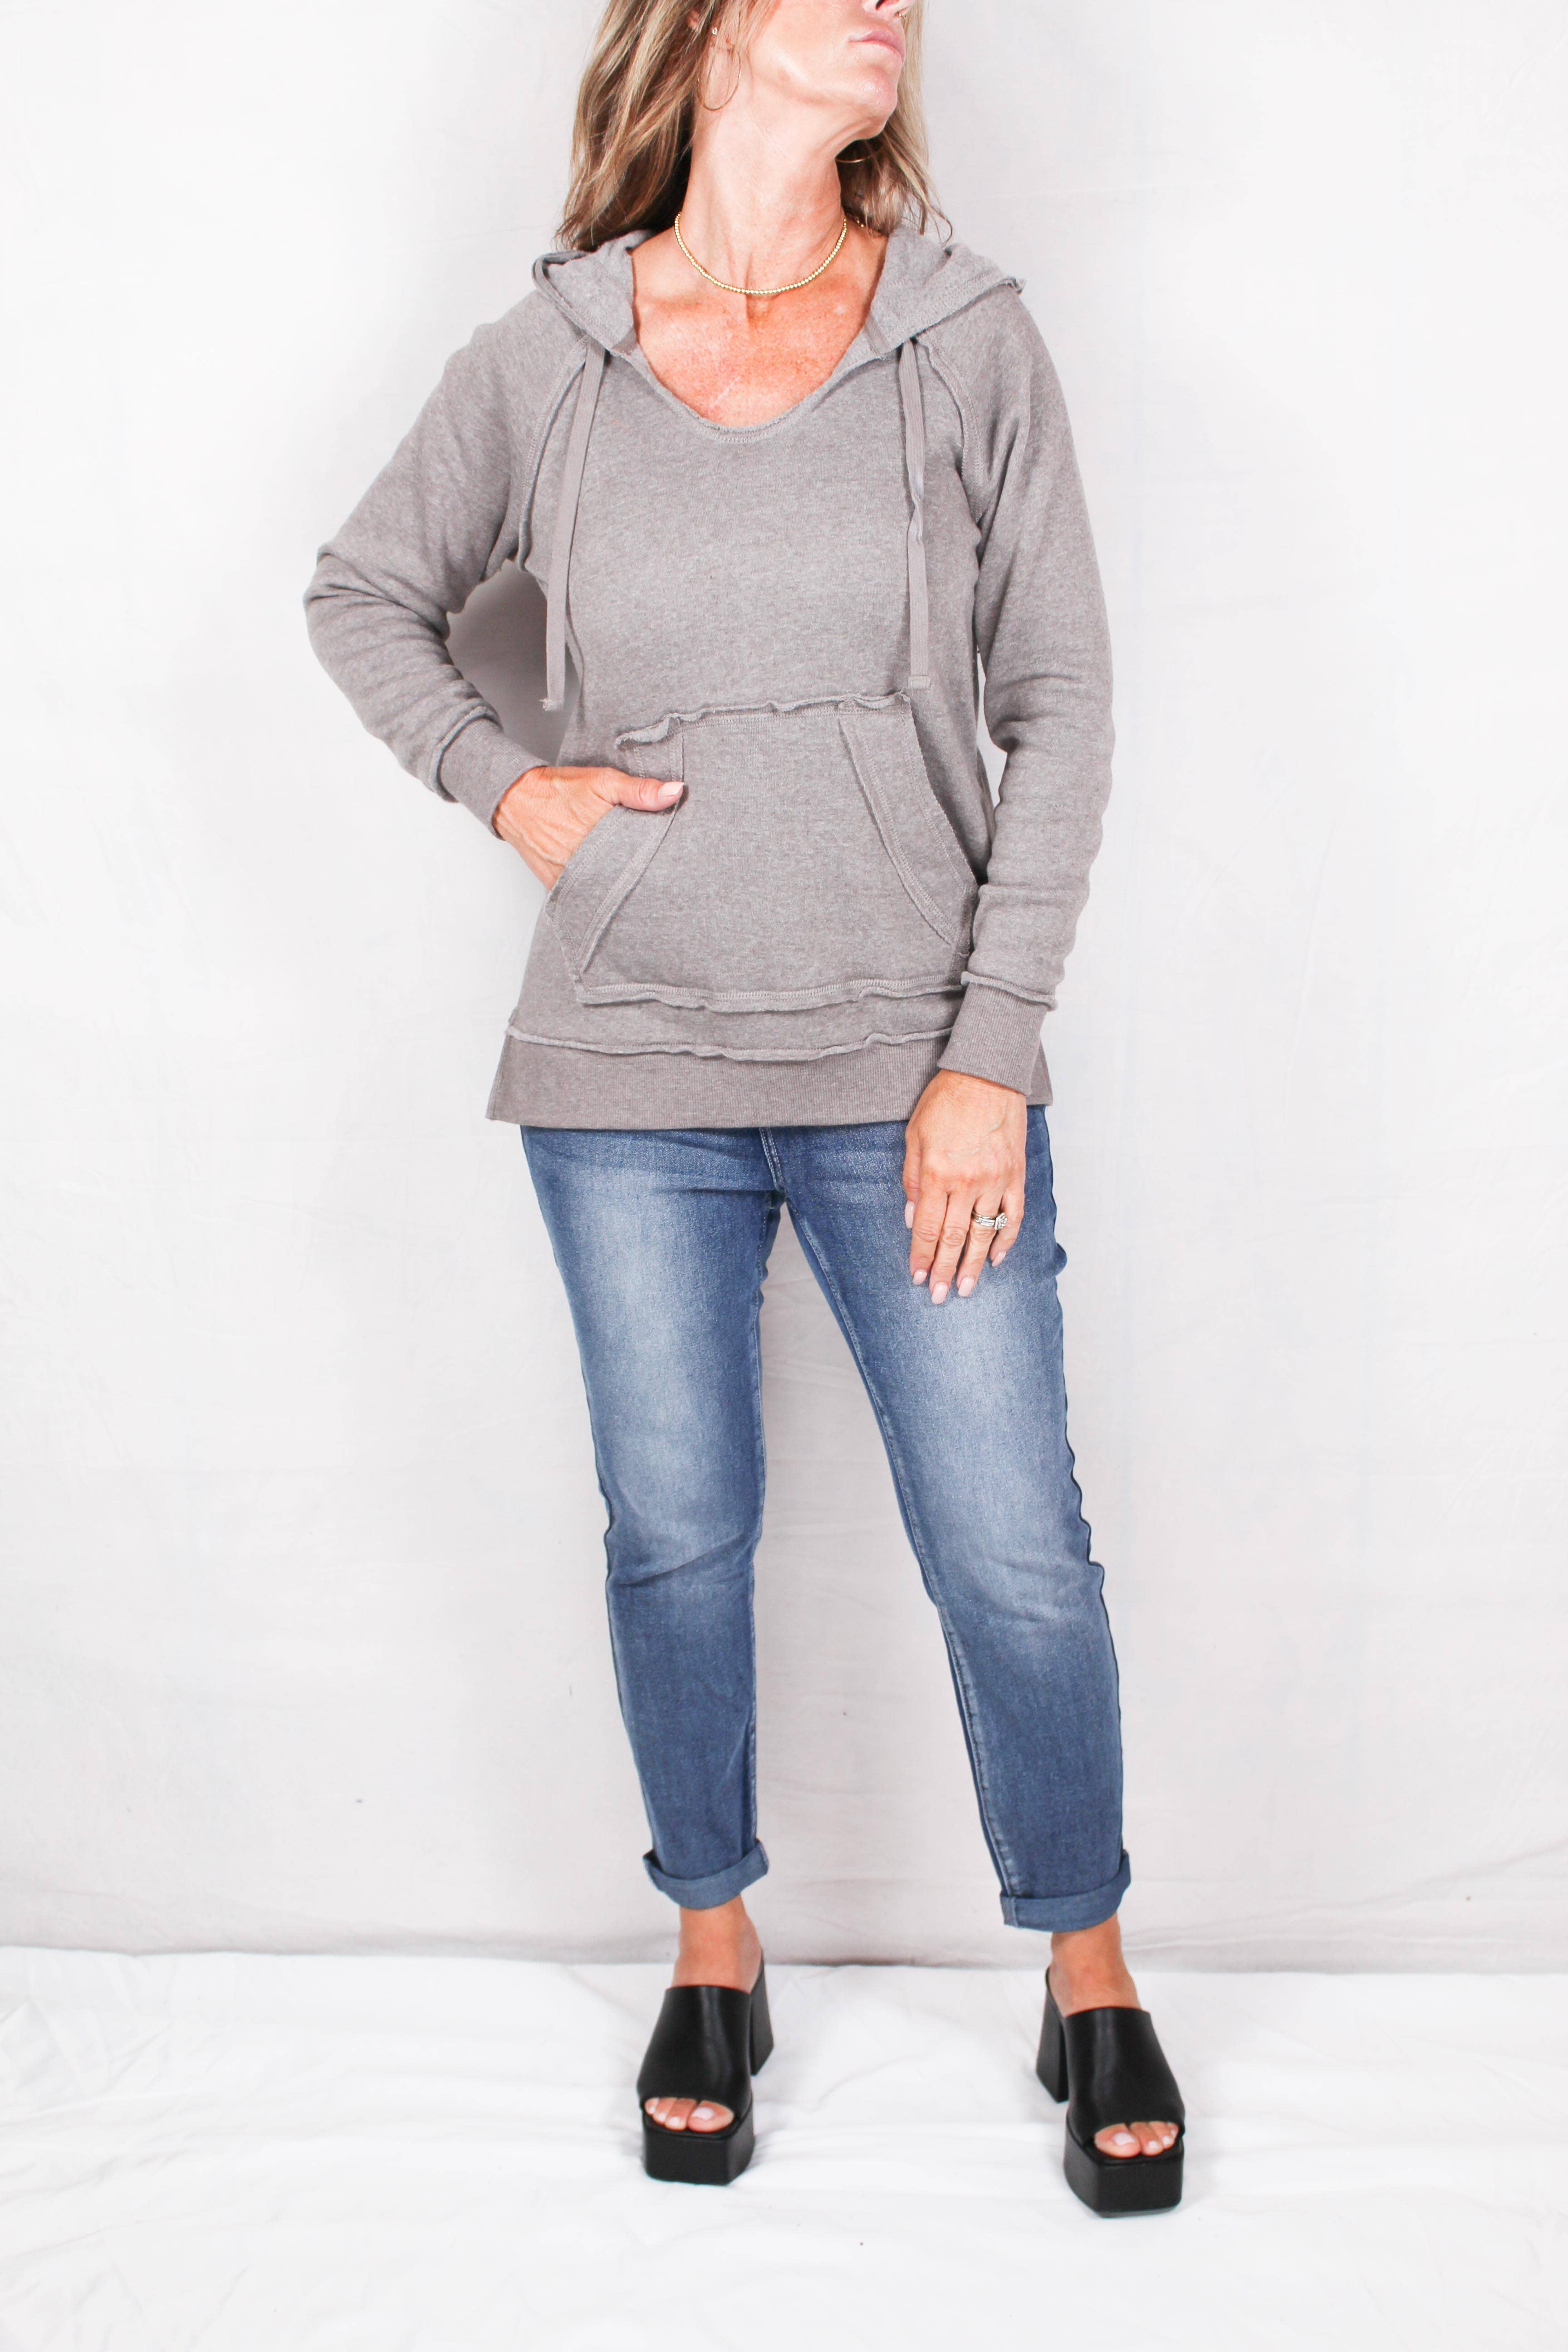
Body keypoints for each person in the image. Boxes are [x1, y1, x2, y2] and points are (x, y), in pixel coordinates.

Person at [304, 0, 1183, 2214]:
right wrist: (509, 787)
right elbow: (366, 595)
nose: (890, 8)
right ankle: (714, 1945)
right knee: (675, 1532)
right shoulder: (553, 356)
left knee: (1012, 1544)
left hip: (916, 1067)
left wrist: (990, 1052)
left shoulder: (966, 340)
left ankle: (1087, 1966)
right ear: (703, 29)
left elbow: (1063, 697)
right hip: (629, 1067)